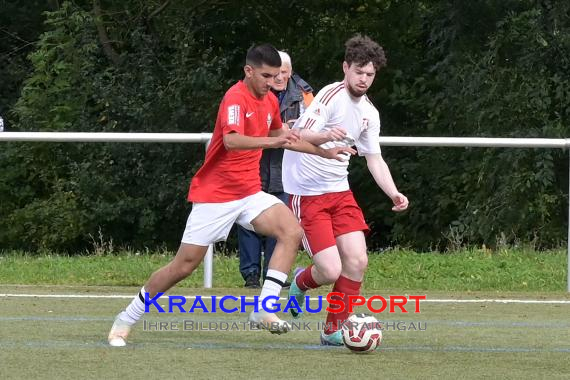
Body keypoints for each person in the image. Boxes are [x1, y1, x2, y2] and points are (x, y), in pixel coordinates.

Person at [107, 43, 356, 347]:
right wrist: (273, 142)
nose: (272, 82)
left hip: (250, 193)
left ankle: (264, 309)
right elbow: (232, 141)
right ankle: (126, 317)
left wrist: (326, 153)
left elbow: (285, 138)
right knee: (183, 266)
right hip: (216, 196)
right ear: (248, 71)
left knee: (291, 230)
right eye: (266, 76)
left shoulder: (269, 101)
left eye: (277, 76)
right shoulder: (235, 97)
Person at [283, 35, 409, 346]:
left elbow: (374, 158)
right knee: (329, 269)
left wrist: (393, 193)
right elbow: (296, 134)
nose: (364, 79)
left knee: (357, 261)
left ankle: (331, 331)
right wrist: (325, 135)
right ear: (345, 68)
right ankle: (300, 281)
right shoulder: (330, 95)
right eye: (359, 72)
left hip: (340, 192)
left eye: (370, 74)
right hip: (307, 193)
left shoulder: (370, 113)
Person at [238, 51, 314, 288]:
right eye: (272, 73)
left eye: (283, 72)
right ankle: (251, 275)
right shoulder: (250, 92)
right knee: (247, 224)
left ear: (290, 71)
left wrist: (299, 129)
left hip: (286, 170)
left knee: (283, 226)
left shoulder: (305, 94)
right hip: (252, 168)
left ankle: (274, 276)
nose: (278, 78)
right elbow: (238, 134)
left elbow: (314, 126)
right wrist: (280, 132)